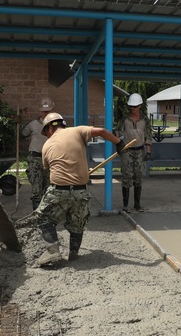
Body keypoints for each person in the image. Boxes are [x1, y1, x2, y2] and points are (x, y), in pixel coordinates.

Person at [36, 112, 122, 265]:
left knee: (43, 217)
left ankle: (53, 252)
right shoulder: (77, 131)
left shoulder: (47, 145)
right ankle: (73, 255)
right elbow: (101, 132)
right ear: (62, 124)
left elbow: (50, 168)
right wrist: (118, 142)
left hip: (58, 191)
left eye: (46, 132)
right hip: (80, 191)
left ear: (49, 128)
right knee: (77, 223)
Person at [118, 93, 152, 212]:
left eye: (135, 106)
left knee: (138, 178)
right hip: (127, 152)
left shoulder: (145, 120)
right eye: (131, 106)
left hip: (139, 151)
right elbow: (117, 133)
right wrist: (118, 143)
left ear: (140, 106)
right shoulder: (124, 119)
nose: (132, 108)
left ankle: (137, 205)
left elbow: (148, 136)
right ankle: (125, 206)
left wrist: (148, 152)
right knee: (126, 178)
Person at [20, 96, 54, 210]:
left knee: (49, 187)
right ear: (40, 110)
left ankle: (45, 213)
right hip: (35, 158)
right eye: (44, 111)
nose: (46, 113)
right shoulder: (33, 124)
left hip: (50, 159)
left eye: (48, 111)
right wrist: (18, 126)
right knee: (36, 188)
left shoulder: (55, 124)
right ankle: (36, 213)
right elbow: (21, 135)